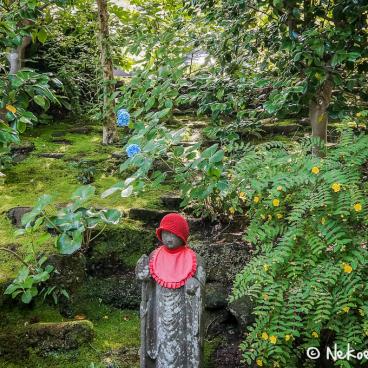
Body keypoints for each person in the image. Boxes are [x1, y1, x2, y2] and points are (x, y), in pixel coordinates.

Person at [136, 213, 205, 368]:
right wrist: (143, 274)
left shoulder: (194, 259)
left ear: (182, 236)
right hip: (159, 312)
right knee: (161, 340)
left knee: (182, 342)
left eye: (173, 234)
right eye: (165, 233)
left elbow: (201, 284)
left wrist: (195, 284)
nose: (169, 238)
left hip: (183, 315)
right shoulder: (155, 256)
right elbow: (146, 280)